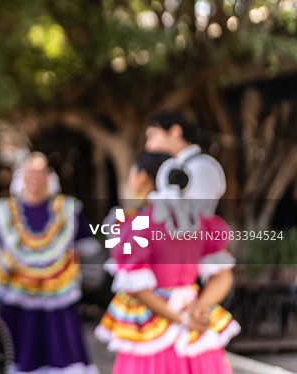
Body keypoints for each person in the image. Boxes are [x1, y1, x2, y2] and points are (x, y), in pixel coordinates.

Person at [94, 152, 240, 373]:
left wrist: (186, 316)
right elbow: (222, 275)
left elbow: (138, 289)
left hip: (155, 325)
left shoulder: (139, 225)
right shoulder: (202, 223)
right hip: (191, 316)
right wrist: (198, 308)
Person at [0, 152, 99, 374]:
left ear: (50, 177)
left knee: (63, 347)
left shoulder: (66, 208)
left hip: (59, 291)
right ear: (22, 176)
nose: (35, 178)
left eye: (41, 172)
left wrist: (61, 265)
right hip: (18, 292)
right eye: (30, 172)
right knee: (21, 350)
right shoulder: (5, 211)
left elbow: (86, 244)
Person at [144, 110, 226, 216]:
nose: (148, 145)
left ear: (175, 131)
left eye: (152, 135)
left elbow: (197, 215)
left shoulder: (203, 166)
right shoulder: (172, 165)